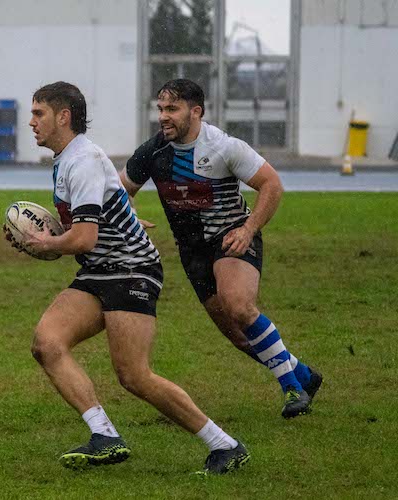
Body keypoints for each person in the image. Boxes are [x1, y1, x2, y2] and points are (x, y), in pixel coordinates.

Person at [12, 81, 249, 475]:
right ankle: (104, 436)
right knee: (47, 343)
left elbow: (84, 237)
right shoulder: (67, 159)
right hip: (100, 270)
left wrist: (47, 244)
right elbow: (94, 224)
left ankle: (225, 445)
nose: (31, 122)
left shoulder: (81, 160)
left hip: (131, 269)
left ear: (63, 116)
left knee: (134, 376)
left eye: (39, 114)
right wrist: (50, 241)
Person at [122, 79, 322, 419]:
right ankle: (303, 374)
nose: (163, 117)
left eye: (172, 109)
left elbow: (271, 184)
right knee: (239, 337)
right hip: (192, 252)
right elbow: (121, 189)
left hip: (232, 237)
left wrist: (249, 229)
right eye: (160, 109)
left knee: (239, 306)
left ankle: (292, 388)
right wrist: (131, 215)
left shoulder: (223, 147)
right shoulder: (153, 152)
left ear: (195, 111)